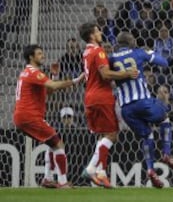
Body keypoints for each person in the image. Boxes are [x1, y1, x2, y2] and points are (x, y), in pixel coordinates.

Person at [108, 32, 173, 188]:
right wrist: (150, 52)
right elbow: (164, 62)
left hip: (126, 109)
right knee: (165, 118)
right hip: (142, 102)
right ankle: (166, 153)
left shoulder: (111, 58)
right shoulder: (138, 52)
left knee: (147, 134)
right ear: (131, 41)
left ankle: (150, 169)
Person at [13, 44, 84, 188]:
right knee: (58, 144)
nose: (43, 55)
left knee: (51, 143)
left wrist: (54, 76)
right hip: (29, 116)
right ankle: (63, 182)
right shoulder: (34, 72)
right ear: (31, 57)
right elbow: (53, 86)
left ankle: (47, 178)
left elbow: (48, 92)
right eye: (39, 54)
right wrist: (75, 81)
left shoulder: (26, 73)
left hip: (23, 116)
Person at [78, 22, 138, 188]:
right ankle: (91, 169)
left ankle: (101, 173)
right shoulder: (98, 51)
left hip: (90, 97)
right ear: (91, 35)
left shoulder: (86, 51)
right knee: (112, 134)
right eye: (97, 30)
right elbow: (105, 74)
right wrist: (127, 73)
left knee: (103, 136)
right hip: (101, 97)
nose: (100, 32)